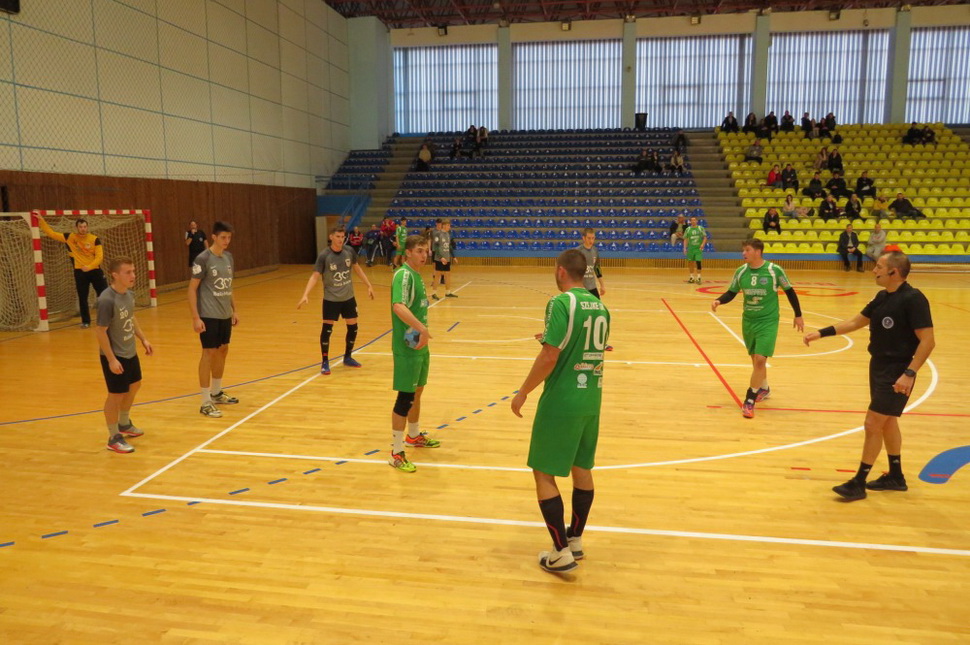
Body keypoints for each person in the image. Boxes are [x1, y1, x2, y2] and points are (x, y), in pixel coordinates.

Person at [804, 251, 934, 501]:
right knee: (887, 422)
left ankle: (859, 482)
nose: (874, 270)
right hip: (878, 366)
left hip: (898, 370)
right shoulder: (882, 297)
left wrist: (909, 373)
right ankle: (896, 476)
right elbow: (856, 322)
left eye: (879, 267)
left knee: (873, 423)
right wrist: (822, 333)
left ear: (894, 272)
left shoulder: (914, 299)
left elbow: (928, 341)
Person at [511, 249, 610, 574]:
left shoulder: (560, 303)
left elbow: (550, 356)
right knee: (582, 469)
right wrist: (551, 339)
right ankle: (575, 540)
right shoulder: (600, 306)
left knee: (543, 472)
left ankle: (560, 552)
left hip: (562, 399)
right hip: (591, 399)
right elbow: (585, 345)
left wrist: (523, 391)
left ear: (561, 272)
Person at [711, 238, 804, 418]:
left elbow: (790, 291)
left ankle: (749, 399)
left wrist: (798, 314)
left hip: (768, 321)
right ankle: (764, 388)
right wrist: (719, 300)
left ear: (758, 251)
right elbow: (731, 292)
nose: (743, 253)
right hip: (748, 321)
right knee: (756, 359)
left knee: (761, 359)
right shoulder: (741, 271)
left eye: (747, 250)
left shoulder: (774, 270)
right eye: (743, 250)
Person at [387, 235, 440, 473]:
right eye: (419, 250)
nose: (424, 255)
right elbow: (398, 306)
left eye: (426, 251)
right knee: (405, 397)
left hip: (420, 345)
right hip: (407, 348)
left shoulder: (416, 275)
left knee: (418, 391)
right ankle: (396, 453)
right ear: (407, 252)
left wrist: (422, 334)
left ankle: (414, 435)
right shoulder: (404, 275)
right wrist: (422, 329)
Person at [297, 225, 375, 375]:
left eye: (343, 237)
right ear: (331, 237)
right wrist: (305, 294)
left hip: (348, 297)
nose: (341, 239)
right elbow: (314, 276)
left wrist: (369, 285)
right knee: (327, 329)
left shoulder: (349, 251)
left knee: (353, 326)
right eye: (338, 236)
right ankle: (325, 361)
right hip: (331, 299)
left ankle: (348, 357)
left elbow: (357, 268)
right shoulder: (324, 256)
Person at [95, 257, 153, 454]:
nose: (133, 275)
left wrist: (143, 339)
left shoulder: (128, 294)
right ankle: (113, 437)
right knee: (115, 395)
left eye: (133, 271)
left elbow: (130, 316)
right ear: (115, 275)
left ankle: (124, 423)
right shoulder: (106, 300)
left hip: (129, 351)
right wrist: (111, 359)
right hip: (115, 355)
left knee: (135, 384)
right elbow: (100, 331)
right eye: (128, 272)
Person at [188, 221, 239, 418]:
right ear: (214, 237)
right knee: (208, 353)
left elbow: (229, 286)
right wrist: (196, 317)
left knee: (223, 350)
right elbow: (192, 289)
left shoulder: (228, 257)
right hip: (208, 315)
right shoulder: (202, 259)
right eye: (223, 237)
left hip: (224, 314)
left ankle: (216, 393)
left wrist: (234, 310)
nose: (226, 241)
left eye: (229, 238)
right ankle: (205, 401)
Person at [37, 214, 108, 329]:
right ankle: (86, 321)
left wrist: (89, 266)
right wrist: (41, 221)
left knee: (105, 295)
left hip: (95, 271)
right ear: (77, 228)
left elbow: (99, 257)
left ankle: (107, 318)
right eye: (80, 227)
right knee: (82, 297)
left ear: (87, 227)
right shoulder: (70, 237)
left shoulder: (95, 239)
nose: (83, 229)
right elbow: (52, 233)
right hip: (80, 272)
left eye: (85, 227)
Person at [576, 228, 613, 351]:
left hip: (592, 288)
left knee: (599, 314)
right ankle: (578, 342)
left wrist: (602, 285)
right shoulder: (578, 252)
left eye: (593, 238)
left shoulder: (595, 251)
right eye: (589, 238)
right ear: (583, 238)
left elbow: (597, 268)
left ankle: (601, 342)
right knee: (580, 316)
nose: (591, 240)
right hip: (580, 289)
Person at [430, 218, 458, 300]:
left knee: (447, 275)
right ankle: (434, 293)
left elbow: (449, 247)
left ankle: (448, 292)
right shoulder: (438, 234)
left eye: (449, 225)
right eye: (448, 225)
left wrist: (453, 257)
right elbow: (435, 247)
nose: (449, 227)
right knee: (437, 275)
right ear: (444, 226)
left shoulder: (448, 234)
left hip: (447, 258)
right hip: (439, 259)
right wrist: (441, 257)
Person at [683, 215, 707, 284]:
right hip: (691, 249)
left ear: (697, 221)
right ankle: (692, 277)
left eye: (694, 220)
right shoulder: (688, 229)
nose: (693, 221)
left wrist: (703, 244)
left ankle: (699, 278)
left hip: (698, 249)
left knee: (698, 262)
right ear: (690, 221)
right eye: (692, 220)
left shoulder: (700, 228)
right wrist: (684, 248)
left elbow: (705, 237)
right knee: (690, 263)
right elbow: (685, 239)